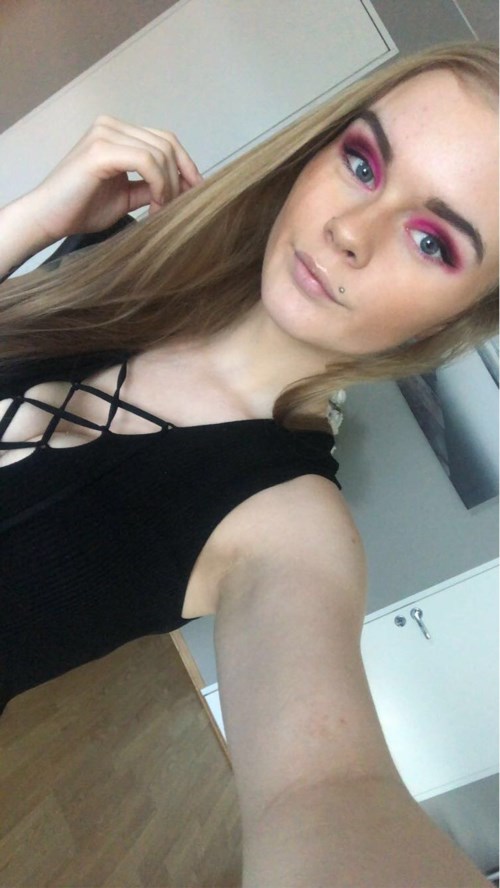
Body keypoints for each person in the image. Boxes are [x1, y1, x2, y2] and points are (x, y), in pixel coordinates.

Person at [0, 39, 497, 887]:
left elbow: (327, 792)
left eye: (431, 242)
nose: (350, 232)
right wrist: (37, 218)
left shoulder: (287, 527)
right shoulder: (111, 255)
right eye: (363, 163)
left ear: (455, 320)